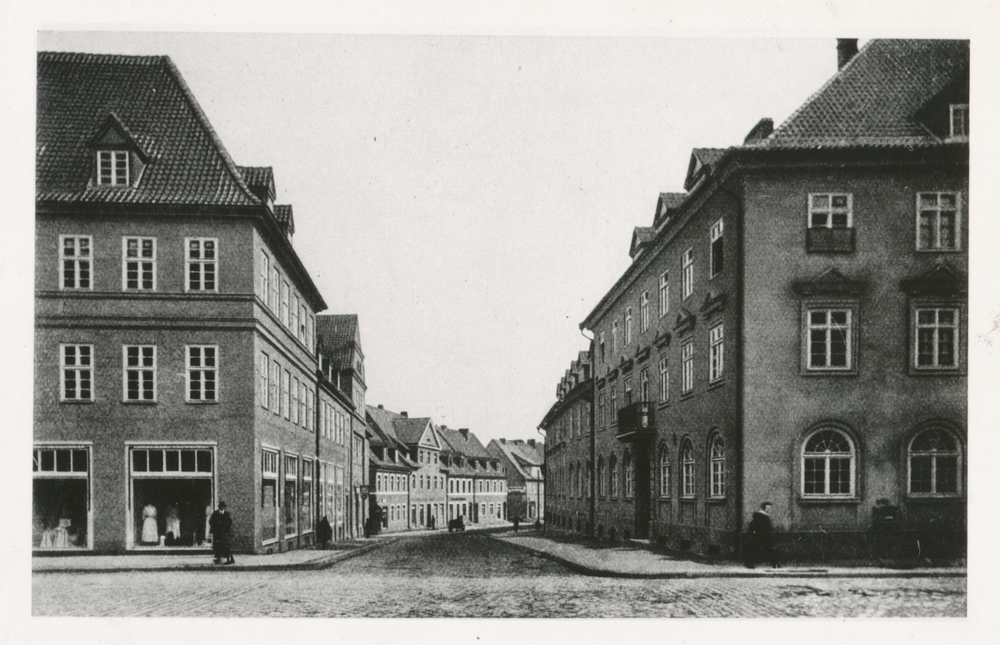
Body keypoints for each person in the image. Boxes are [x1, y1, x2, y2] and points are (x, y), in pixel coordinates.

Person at [745, 501, 778, 569]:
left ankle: (774, 563)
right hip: (760, 536)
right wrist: (754, 532)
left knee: (769, 550)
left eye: (770, 508)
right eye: (768, 508)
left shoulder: (763, 515)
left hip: (764, 536)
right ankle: (749, 563)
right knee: (756, 550)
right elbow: (753, 525)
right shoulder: (761, 516)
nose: (769, 509)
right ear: (764, 508)